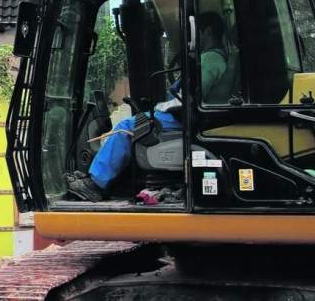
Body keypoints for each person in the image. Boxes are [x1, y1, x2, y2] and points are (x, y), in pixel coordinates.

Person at [67, 13, 235, 201]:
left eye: (197, 33)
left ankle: (95, 184)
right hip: (186, 115)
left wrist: (167, 105)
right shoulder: (219, 58)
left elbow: (193, 95)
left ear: (207, 32)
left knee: (126, 127)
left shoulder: (210, 59)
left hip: (184, 116)